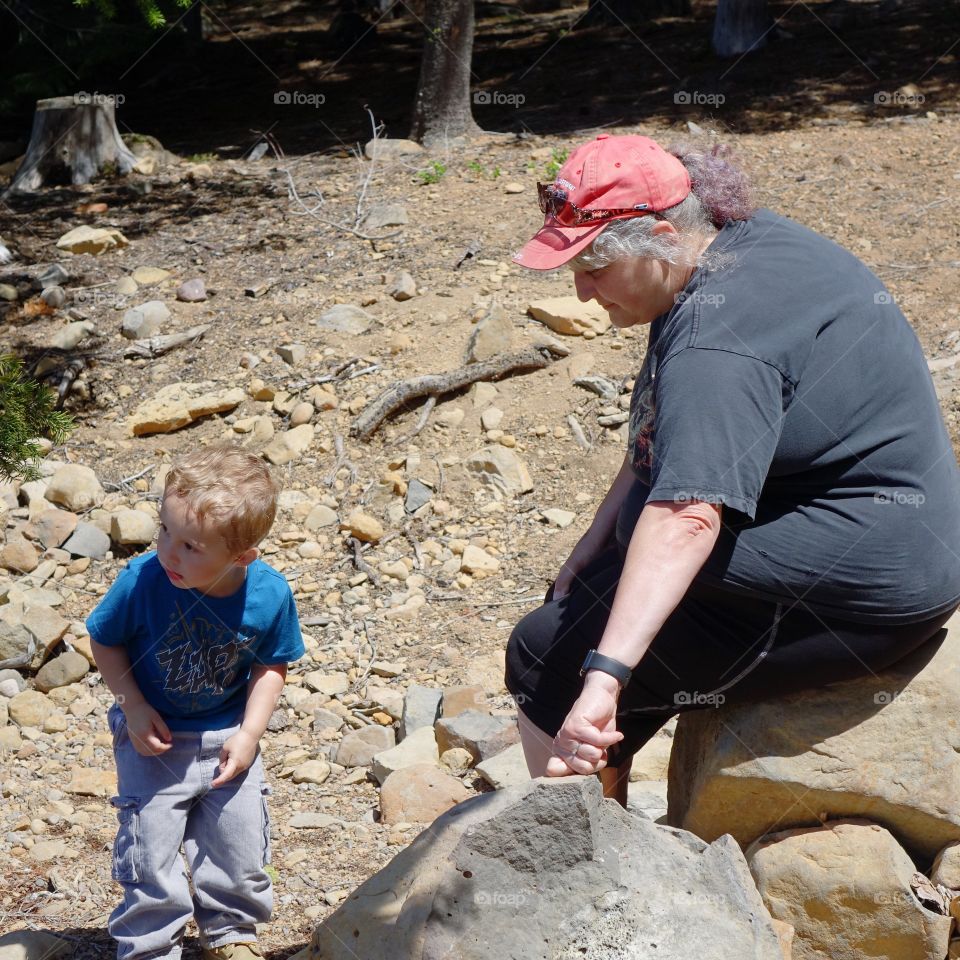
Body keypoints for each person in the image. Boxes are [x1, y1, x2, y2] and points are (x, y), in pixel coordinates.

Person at [505, 133, 960, 807]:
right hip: (861, 531)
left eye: (595, 266)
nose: (581, 291)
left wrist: (602, 679)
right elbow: (664, 437)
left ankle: (581, 872)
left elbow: (688, 515)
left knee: (548, 656)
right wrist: (589, 544)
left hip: (867, 598)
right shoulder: (728, 250)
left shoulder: (718, 340)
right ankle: (611, 799)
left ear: (661, 233)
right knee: (604, 576)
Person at [88, 447, 304, 960]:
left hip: (227, 736)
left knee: (239, 844)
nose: (169, 553)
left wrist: (250, 733)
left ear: (241, 556)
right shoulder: (142, 580)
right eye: (164, 531)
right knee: (151, 850)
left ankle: (231, 935)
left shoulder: (269, 594)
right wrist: (132, 705)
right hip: (153, 739)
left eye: (190, 546)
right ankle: (150, 946)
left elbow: (270, 665)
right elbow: (105, 640)